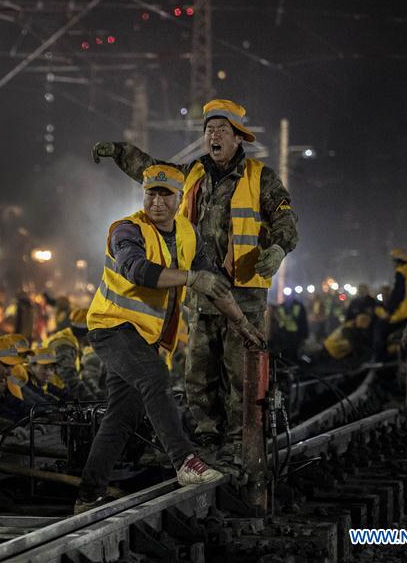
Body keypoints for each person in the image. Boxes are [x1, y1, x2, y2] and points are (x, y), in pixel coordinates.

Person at [92, 99, 297, 464]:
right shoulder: (193, 174)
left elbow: (286, 219)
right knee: (199, 373)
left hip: (244, 292)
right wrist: (120, 152)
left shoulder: (260, 177)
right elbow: (152, 171)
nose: (213, 135)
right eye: (209, 130)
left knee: (239, 372)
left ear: (238, 138)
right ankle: (207, 440)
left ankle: (239, 444)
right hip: (200, 291)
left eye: (222, 130)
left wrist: (279, 249)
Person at [75, 165, 265, 513]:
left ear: (180, 199)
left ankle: (88, 496)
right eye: (151, 193)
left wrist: (241, 325)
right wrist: (193, 278)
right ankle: (185, 462)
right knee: (156, 380)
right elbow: (136, 270)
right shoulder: (126, 230)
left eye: (166, 195)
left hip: (143, 337)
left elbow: (214, 285)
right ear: (143, 195)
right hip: (111, 327)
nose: (157, 202)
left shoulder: (187, 234)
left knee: (121, 417)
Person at [270, 293, 309, 362]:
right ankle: (287, 364)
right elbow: (276, 320)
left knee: (293, 350)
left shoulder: (299, 306)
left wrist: (304, 334)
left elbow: (303, 321)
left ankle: (293, 364)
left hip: (295, 333)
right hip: (283, 333)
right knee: (285, 351)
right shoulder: (281, 306)